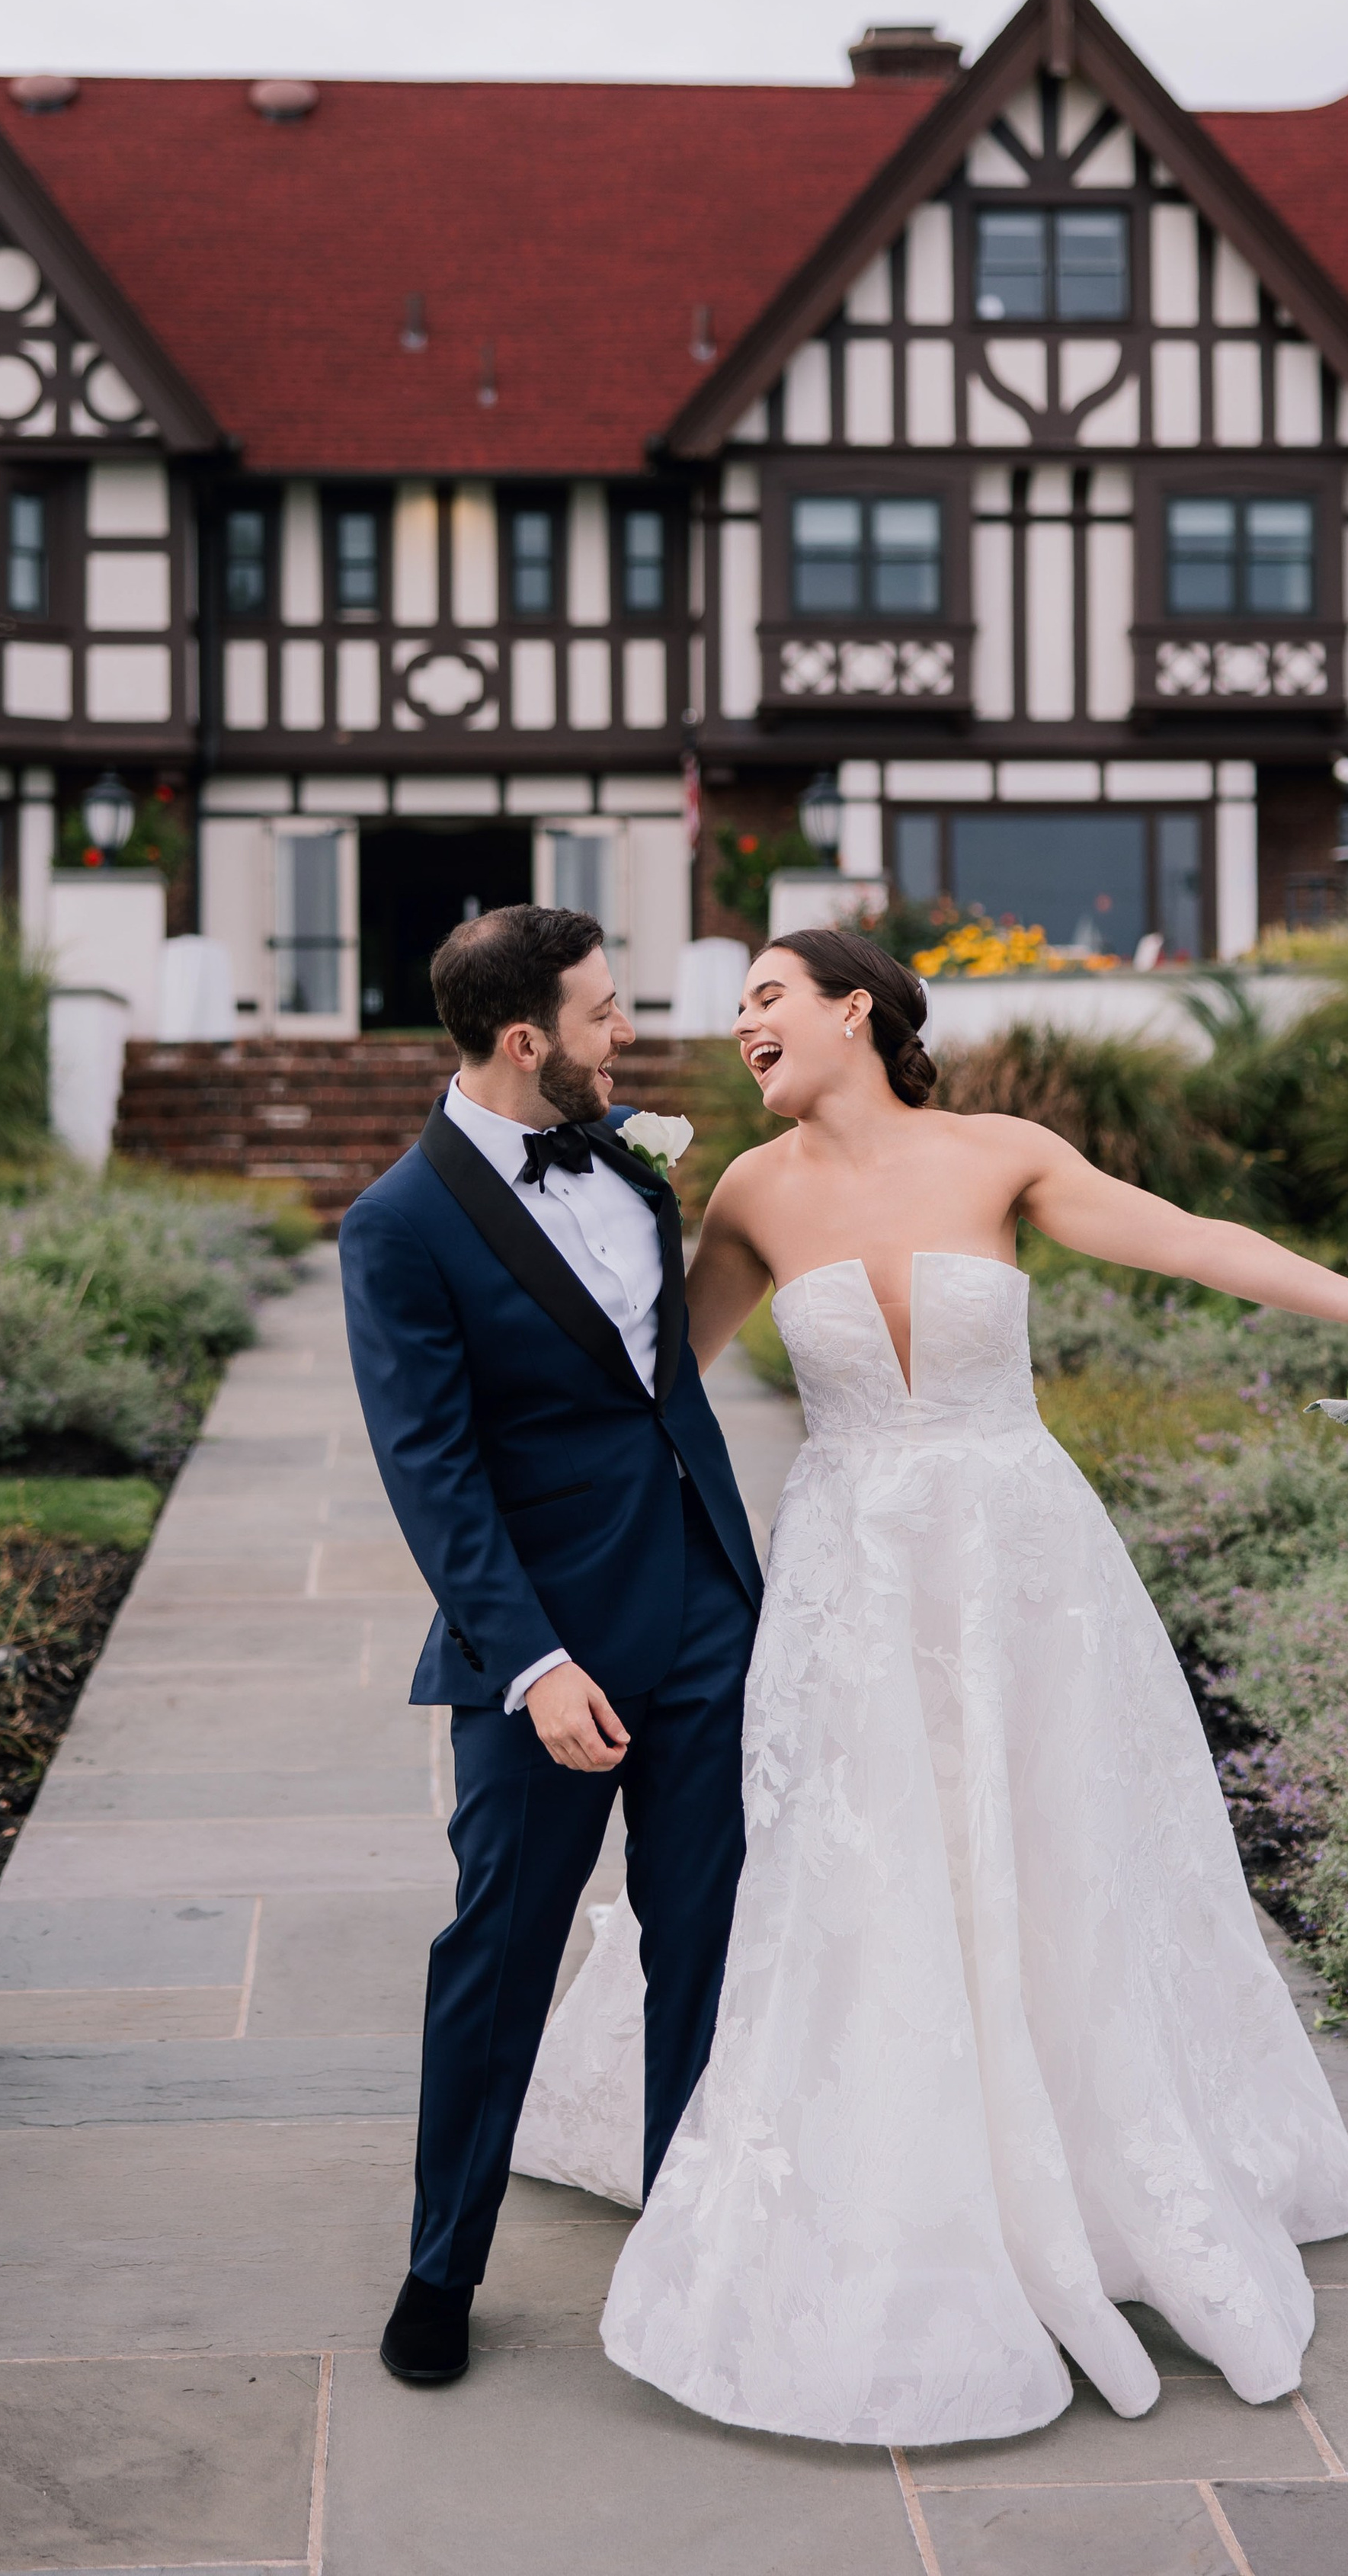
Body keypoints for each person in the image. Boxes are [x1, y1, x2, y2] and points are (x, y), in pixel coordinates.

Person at [517, 926, 1348, 2447]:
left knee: (1055, 1847)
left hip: (1021, 1568)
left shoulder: (999, 1154)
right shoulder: (749, 1194)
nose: (740, 1024)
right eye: (734, 1008)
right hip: (851, 1577)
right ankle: (899, 2162)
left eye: (766, 994)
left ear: (855, 1009)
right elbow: (645, 1384)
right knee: (860, 1862)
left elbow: (1186, 1238)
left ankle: (1093, 2149)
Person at [338, 904, 763, 2387]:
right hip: (546, 1654)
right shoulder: (395, 1228)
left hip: (706, 1600)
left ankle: (690, 2252)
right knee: (499, 1955)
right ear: (524, 1043)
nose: (625, 1029)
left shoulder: (625, 1157)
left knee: (702, 1944)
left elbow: (655, 1378)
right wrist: (529, 1662)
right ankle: (441, 2264)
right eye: (601, 1012)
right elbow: (430, 1470)